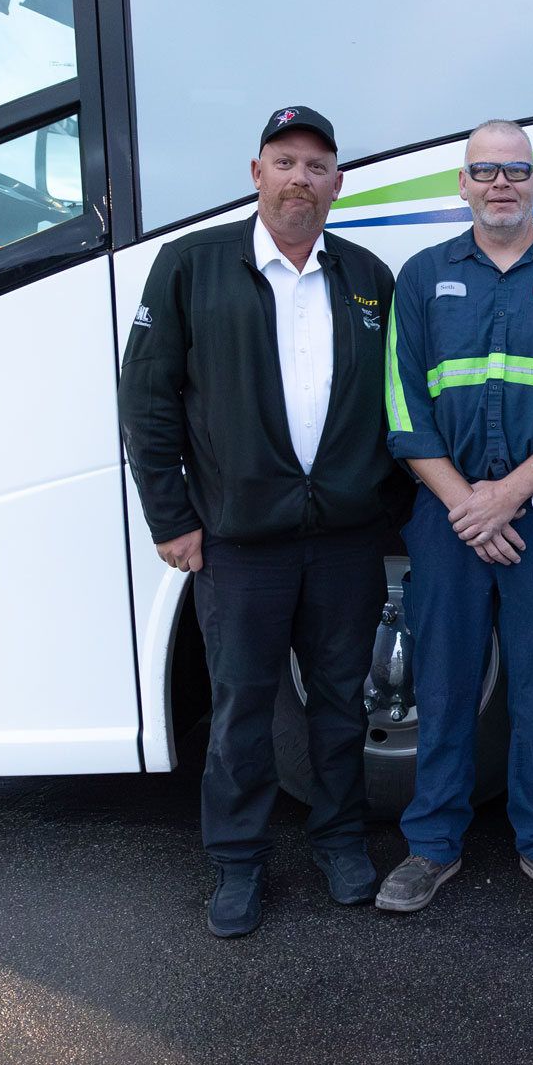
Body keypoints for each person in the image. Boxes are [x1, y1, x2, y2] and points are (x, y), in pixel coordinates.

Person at [120, 106, 409, 938]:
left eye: (317, 167)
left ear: (337, 184)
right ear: (256, 174)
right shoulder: (190, 266)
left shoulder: (366, 278)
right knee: (242, 706)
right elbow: (147, 400)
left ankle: (341, 843)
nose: (300, 180)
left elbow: (394, 403)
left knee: (340, 705)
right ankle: (239, 864)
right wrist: (173, 519)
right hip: (240, 544)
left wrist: (378, 505)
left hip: (346, 542)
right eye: (285, 162)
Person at [377, 119, 533, 913]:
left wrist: (505, 496)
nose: (500, 183)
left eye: (516, 171)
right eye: (485, 171)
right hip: (445, 518)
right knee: (442, 687)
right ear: (463, 185)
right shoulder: (420, 277)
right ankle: (432, 847)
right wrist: (466, 503)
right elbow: (403, 406)